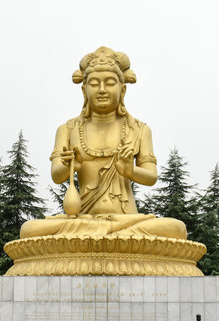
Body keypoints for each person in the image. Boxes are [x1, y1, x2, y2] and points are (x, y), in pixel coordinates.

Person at [19, 46, 186, 240]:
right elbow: (56, 176)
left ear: (122, 89)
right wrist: (70, 166)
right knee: (29, 230)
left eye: (109, 83)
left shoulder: (139, 129)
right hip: (79, 220)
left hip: (125, 221)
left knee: (176, 229)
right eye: (95, 84)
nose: (102, 90)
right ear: (84, 89)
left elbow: (151, 176)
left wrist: (129, 171)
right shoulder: (67, 129)